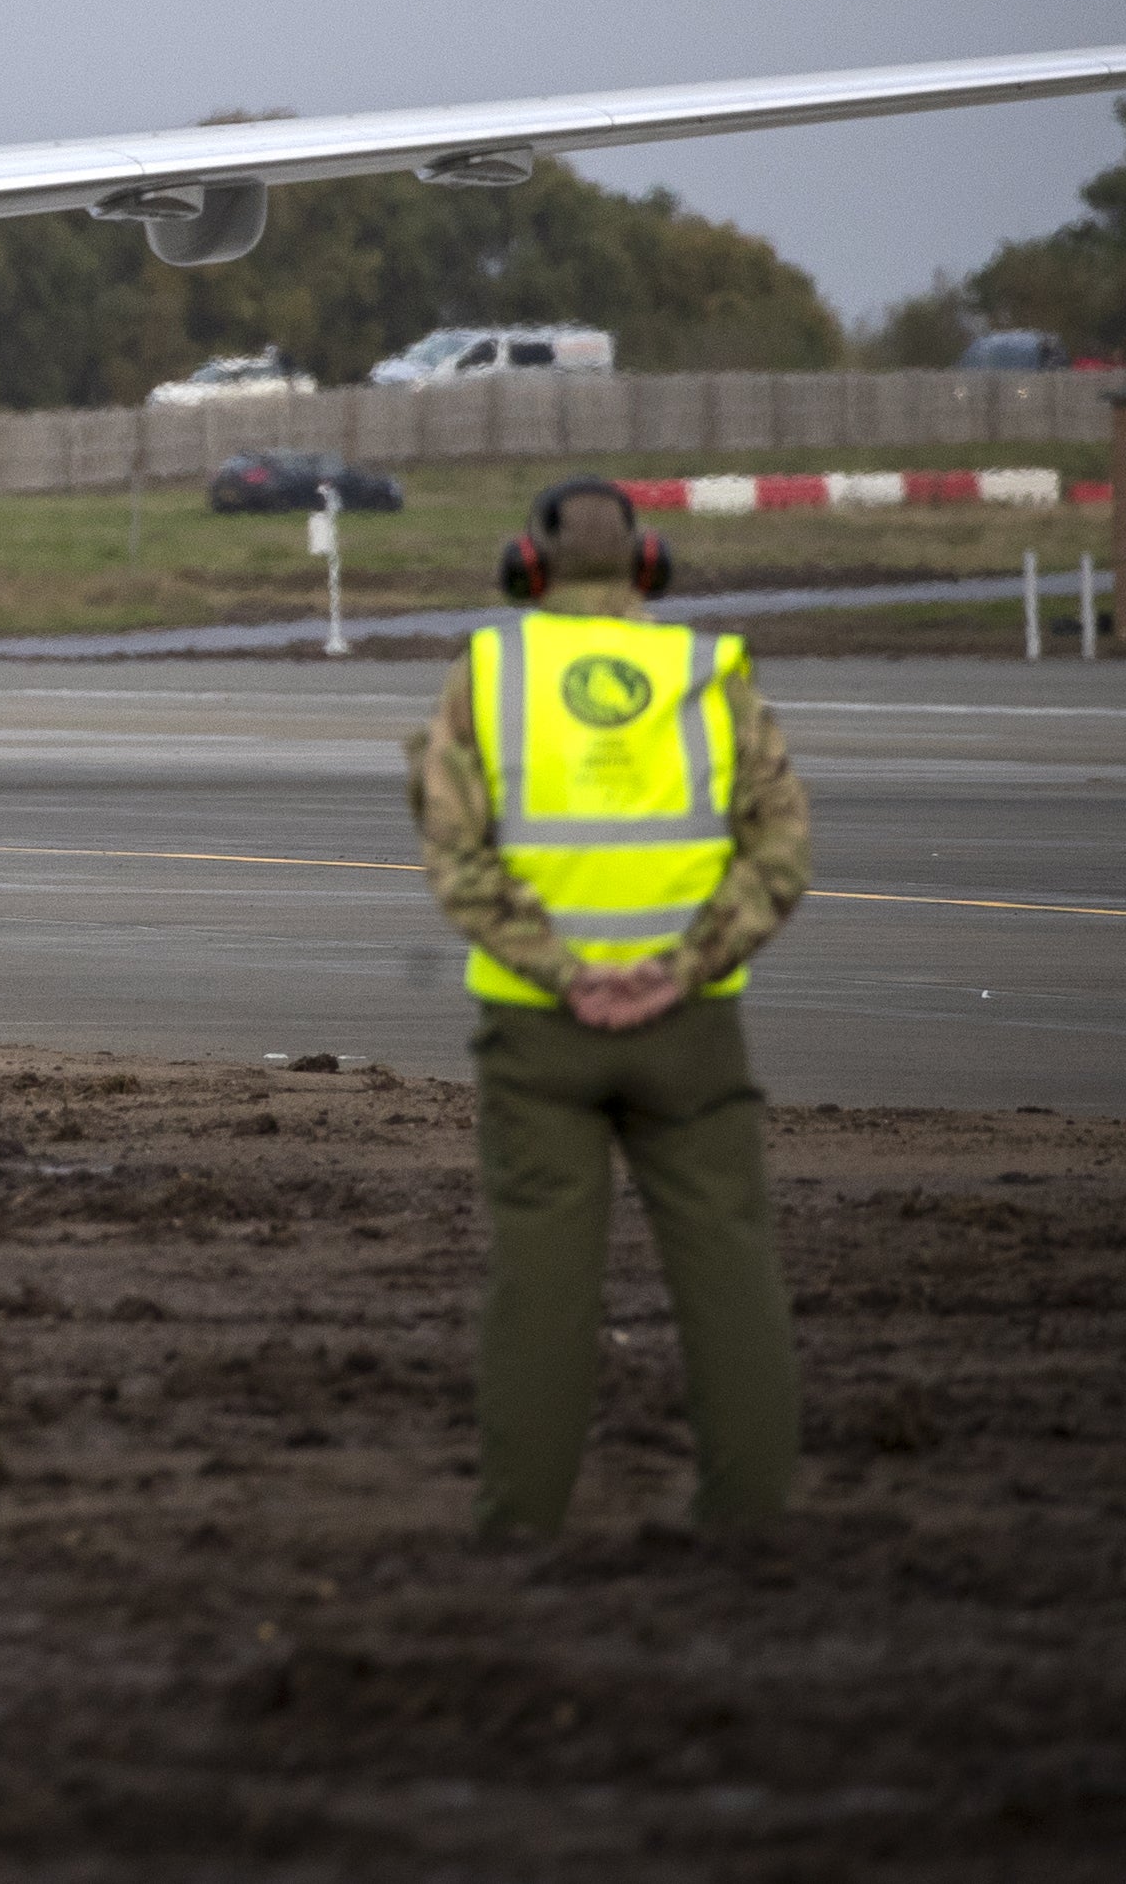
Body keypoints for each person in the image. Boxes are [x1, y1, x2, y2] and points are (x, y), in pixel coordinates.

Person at [405, 476, 812, 1539]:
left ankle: (521, 1522)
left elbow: (454, 857)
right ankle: (750, 1513)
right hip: (690, 1030)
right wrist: (678, 969)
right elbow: (780, 849)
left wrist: (562, 970)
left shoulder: (488, 674)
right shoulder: (706, 672)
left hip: (538, 1033)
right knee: (726, 1267)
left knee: (541, 1283)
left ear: (523, 568)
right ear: (649, 563)